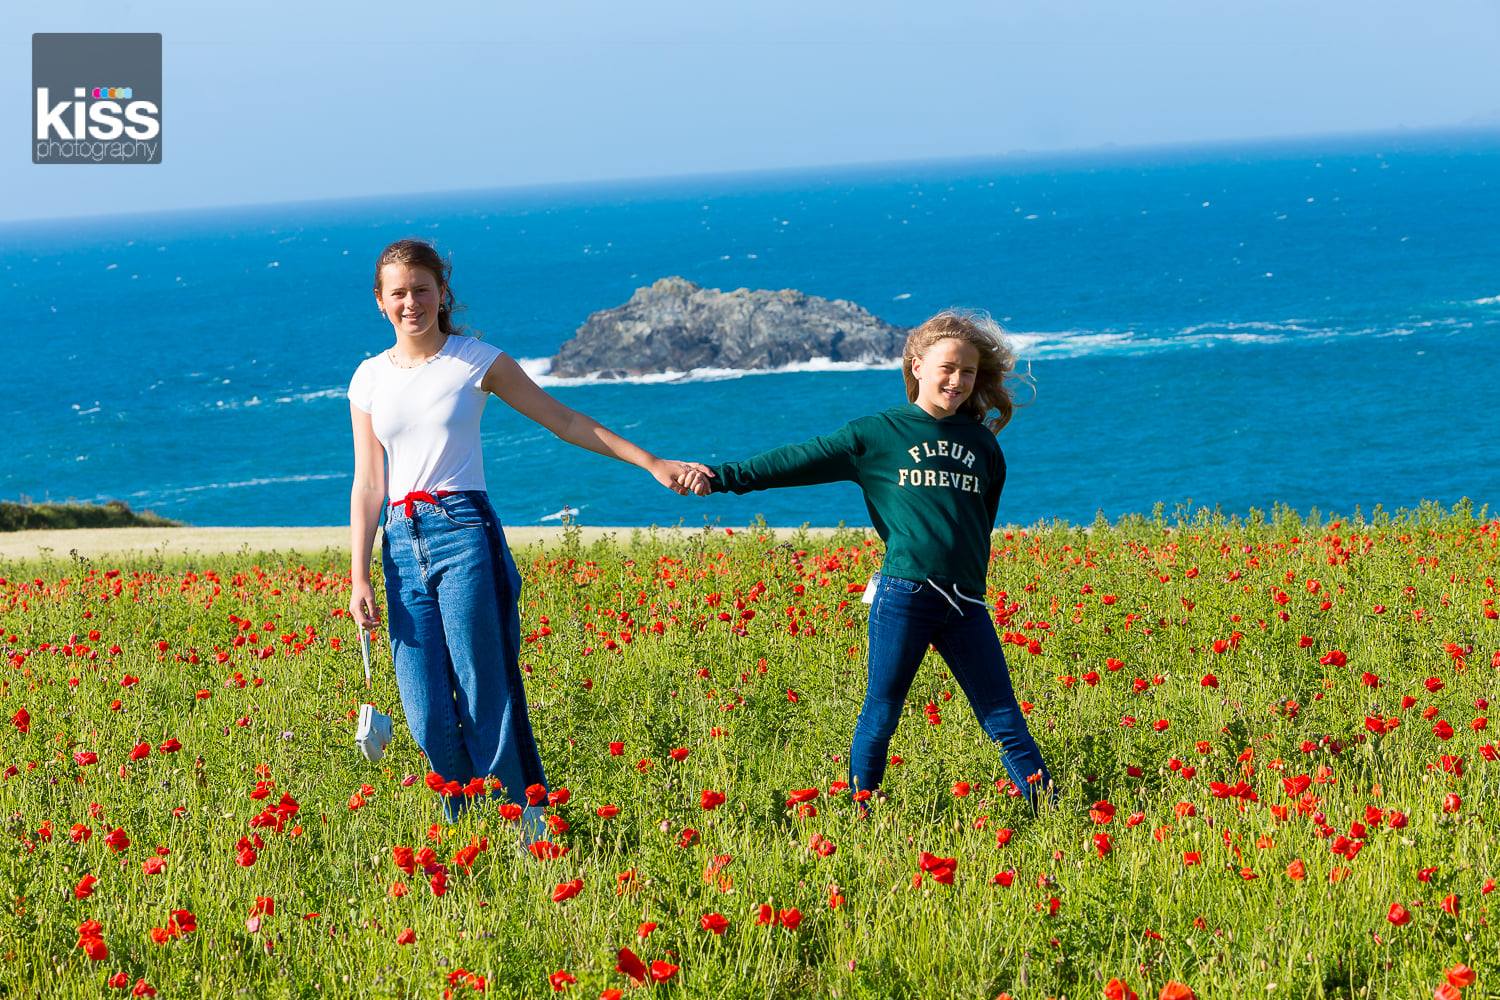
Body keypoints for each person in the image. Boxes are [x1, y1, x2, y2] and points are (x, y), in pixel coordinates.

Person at [347, 238, 708, 827]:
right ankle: (468, 826)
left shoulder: (476, 360)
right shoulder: (367, 379)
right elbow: (367, 482)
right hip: (399, 544)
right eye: (399, 293)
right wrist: (359, 574)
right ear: (380, 302)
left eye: (422, 289)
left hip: (461, 531)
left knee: (486, 690)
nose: (411, 302)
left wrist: (652, 462)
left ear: (442, 293)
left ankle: (527, 828)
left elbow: (564, 420)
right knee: (425, 709)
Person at [688, 310, 1055, 812]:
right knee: (883, 711)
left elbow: (978, 526)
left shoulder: (984, 445)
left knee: (1001, 713)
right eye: (947, 367)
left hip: (967, 599)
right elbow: (793, 461)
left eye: (968, 372)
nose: (957, 380)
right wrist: (719, 475)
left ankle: (1050, 812)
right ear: (917, 365)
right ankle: (865, 813)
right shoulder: (876, 434)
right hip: (906, 593)